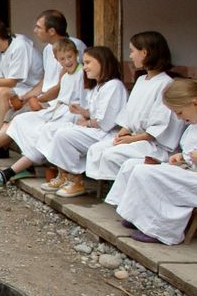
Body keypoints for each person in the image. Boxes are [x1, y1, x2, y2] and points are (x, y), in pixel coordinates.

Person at [106, 78, 197, 244]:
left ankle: (158, 229)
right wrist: (183, 157)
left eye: (179, 112)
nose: (178, 118)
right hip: (192, 176)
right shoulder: (195, 125)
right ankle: (137, 214)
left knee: (145, 172)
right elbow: (193, 152)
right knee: (133, 165)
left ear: (195, 104)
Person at [0, 38, 84, 182]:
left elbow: (82, 99)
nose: (67, 61)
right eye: (62, 59)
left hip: (71, 114)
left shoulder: (82, 73)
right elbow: (57, 90)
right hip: (57, 110)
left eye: (70, 57)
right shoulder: (64, 73)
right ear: (57, 60)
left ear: (76, 54)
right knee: (20, 120)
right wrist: (37, 99)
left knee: (42, 133)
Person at [85, 31, 184, 183]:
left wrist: (131, 140)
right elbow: (129, 113)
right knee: (96, 149)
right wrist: (123, 133)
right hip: (136, 137)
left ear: (144, 53)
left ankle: (127, 189)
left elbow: (158, 127)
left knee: (112, 154)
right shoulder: (141, 80)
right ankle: (119, 188)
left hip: (154, 145)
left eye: (132, 51)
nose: (130, 56)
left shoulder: (166, 84)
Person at [33, 46, 127, 197]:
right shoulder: (99, 86)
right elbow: (96, 112)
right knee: (51, 129)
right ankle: (63, 174)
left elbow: (106, 122)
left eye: (89, 63)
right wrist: (82, 112)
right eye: (84, 63)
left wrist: (86, 123)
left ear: (102, 62)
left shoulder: (114, 86)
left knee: (64, 135)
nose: (85, 67)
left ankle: (76, 180)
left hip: (107, 134)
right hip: (97, 130)